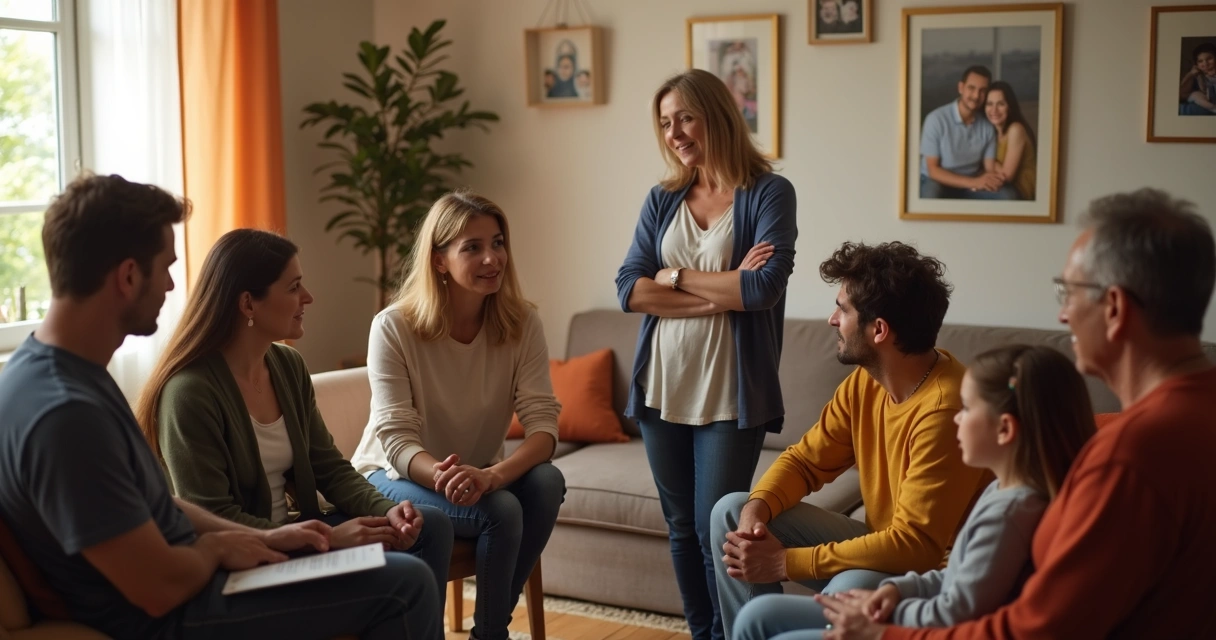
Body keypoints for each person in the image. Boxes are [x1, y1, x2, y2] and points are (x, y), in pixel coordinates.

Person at [0, 174, 441, 640]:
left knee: (414, 550)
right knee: (404, 586)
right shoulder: (65, 415)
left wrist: (263, 538)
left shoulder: (61, 372)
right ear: (129, 276)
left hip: (186, 580)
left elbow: (154, 505)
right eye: (166, 267)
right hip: (167, 614)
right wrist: (216, 550)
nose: (172, 285)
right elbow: (158, 588)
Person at [823, 188, 1216, 640]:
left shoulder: (1129, 457)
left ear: (1114, 308)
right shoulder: (1196, 410)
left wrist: (883, 633)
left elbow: (1038, 630)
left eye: (1069, 292)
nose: (1064, 315)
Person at [135, 229, 453, 604]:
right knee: (407, 578)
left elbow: (329, 468)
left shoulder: (287, 365)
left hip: (297, 532)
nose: (308, 298)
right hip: (245, 557)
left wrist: (389, 511)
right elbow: (212, 516)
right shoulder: (190, 392)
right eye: (293, 287)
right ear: (248, 304)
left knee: (431, 524)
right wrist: (325, 539)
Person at [710, 241, 990, 640]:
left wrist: (785, 563)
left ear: (879, 330)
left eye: (843, 309)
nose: (832, 319)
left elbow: (915, 547)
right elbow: (806, 461)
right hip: (884, 545)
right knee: (731, 512)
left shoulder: (945, 410)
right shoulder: (867, 381)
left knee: (847, 588)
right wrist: (757, 511)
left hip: (926, 574)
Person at [737, 345, 1096, 640]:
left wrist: (890, 611)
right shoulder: (1002, 492)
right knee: (757, 614)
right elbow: (956, 577)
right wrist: (901, 591)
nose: (958, 417)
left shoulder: (1009, 515)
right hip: (913, 600)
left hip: (920, 625)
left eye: (968, 410)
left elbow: (959, 609)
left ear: (1004, 430)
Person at [615, 68, 797, 640]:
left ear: (716, 114)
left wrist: (669, 278)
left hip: (728, 392)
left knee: (711, 527)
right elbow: (627, 289)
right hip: (662, 385)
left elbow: (761, 289)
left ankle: (732, 635)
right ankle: (703, 635)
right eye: (665, 123)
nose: (675, 133)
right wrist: (714, 289)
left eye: (685, 118)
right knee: (677, 527)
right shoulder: (663, 197)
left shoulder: (769, 192)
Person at [350, 190, 565, 640]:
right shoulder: (393, 326)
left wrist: (493, 475)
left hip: (477, 472)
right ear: (440, 260)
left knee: (547, 481)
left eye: (498, 243)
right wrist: (450, 477)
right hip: (392, 472)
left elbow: (544, 427)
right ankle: (495, 635)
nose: (492, 258)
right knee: (501, 511)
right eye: (472, 247)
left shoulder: (522, 323)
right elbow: (396, 439)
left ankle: (487, 631)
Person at [919, 66, 1018, 200]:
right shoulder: (935, 119)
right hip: (936, 181)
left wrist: (992, 179)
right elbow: (933, 170)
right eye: (971, 88)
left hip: (970, 184)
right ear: (961, 88)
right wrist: (975, 182)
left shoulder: (987, 126)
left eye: (982, 91)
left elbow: (989, 169)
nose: (976, 96)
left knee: (1008, 196)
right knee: (930, 197)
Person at [984, 81, 1037, 200]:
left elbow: (1006, 176)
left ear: (1009, 106)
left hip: (1020, 191)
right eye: (989, 104)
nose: (994, 110)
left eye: (1000, 104)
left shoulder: (1016, 129)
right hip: (1001, 188)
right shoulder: (991, 132)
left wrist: (984, 159)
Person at [1178, 42, 1216, 115]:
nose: (1205, 63)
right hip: (1207, 101)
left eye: (1209, 59)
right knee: (1195, 95)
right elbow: (1181, 94)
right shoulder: (1198, 76)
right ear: (1197, 64)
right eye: (1200, 61)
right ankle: (1213, 108)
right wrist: (1190, 74)